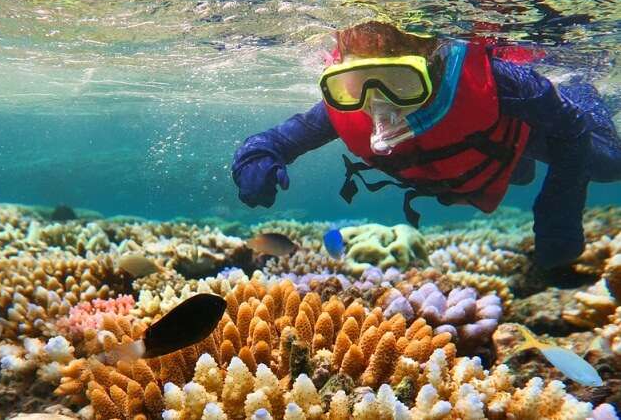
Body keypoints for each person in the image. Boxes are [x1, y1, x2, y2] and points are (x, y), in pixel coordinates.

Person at [231, 21, 621, 272]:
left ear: (432, 67)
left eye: (399, 82)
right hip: (478, 161)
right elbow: (275, 140)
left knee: (608, 163)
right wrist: (255, 158)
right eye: (355, 83)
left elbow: (570, 131)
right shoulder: (345, 109)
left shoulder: (505, 84)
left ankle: (583, 92)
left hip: (512, 131)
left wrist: (558, 217)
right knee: (518, 177)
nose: (377, 101)